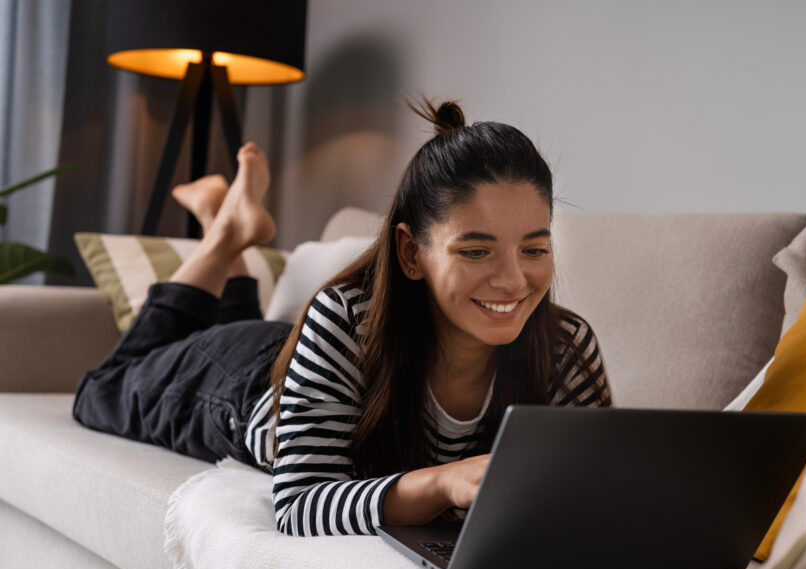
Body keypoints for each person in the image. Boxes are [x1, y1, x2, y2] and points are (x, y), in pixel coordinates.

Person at [74, 97, 612, 537]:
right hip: (243, 386)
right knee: (102, 391)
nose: (515, 281)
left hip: (312, 365)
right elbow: (300, 503)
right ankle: (223, 235)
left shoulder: (566, 347)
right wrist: (442, 483)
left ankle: (227, 217)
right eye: (475, 251)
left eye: (535, 250)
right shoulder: (345, 319)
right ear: (410, 254)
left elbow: (597, 492)